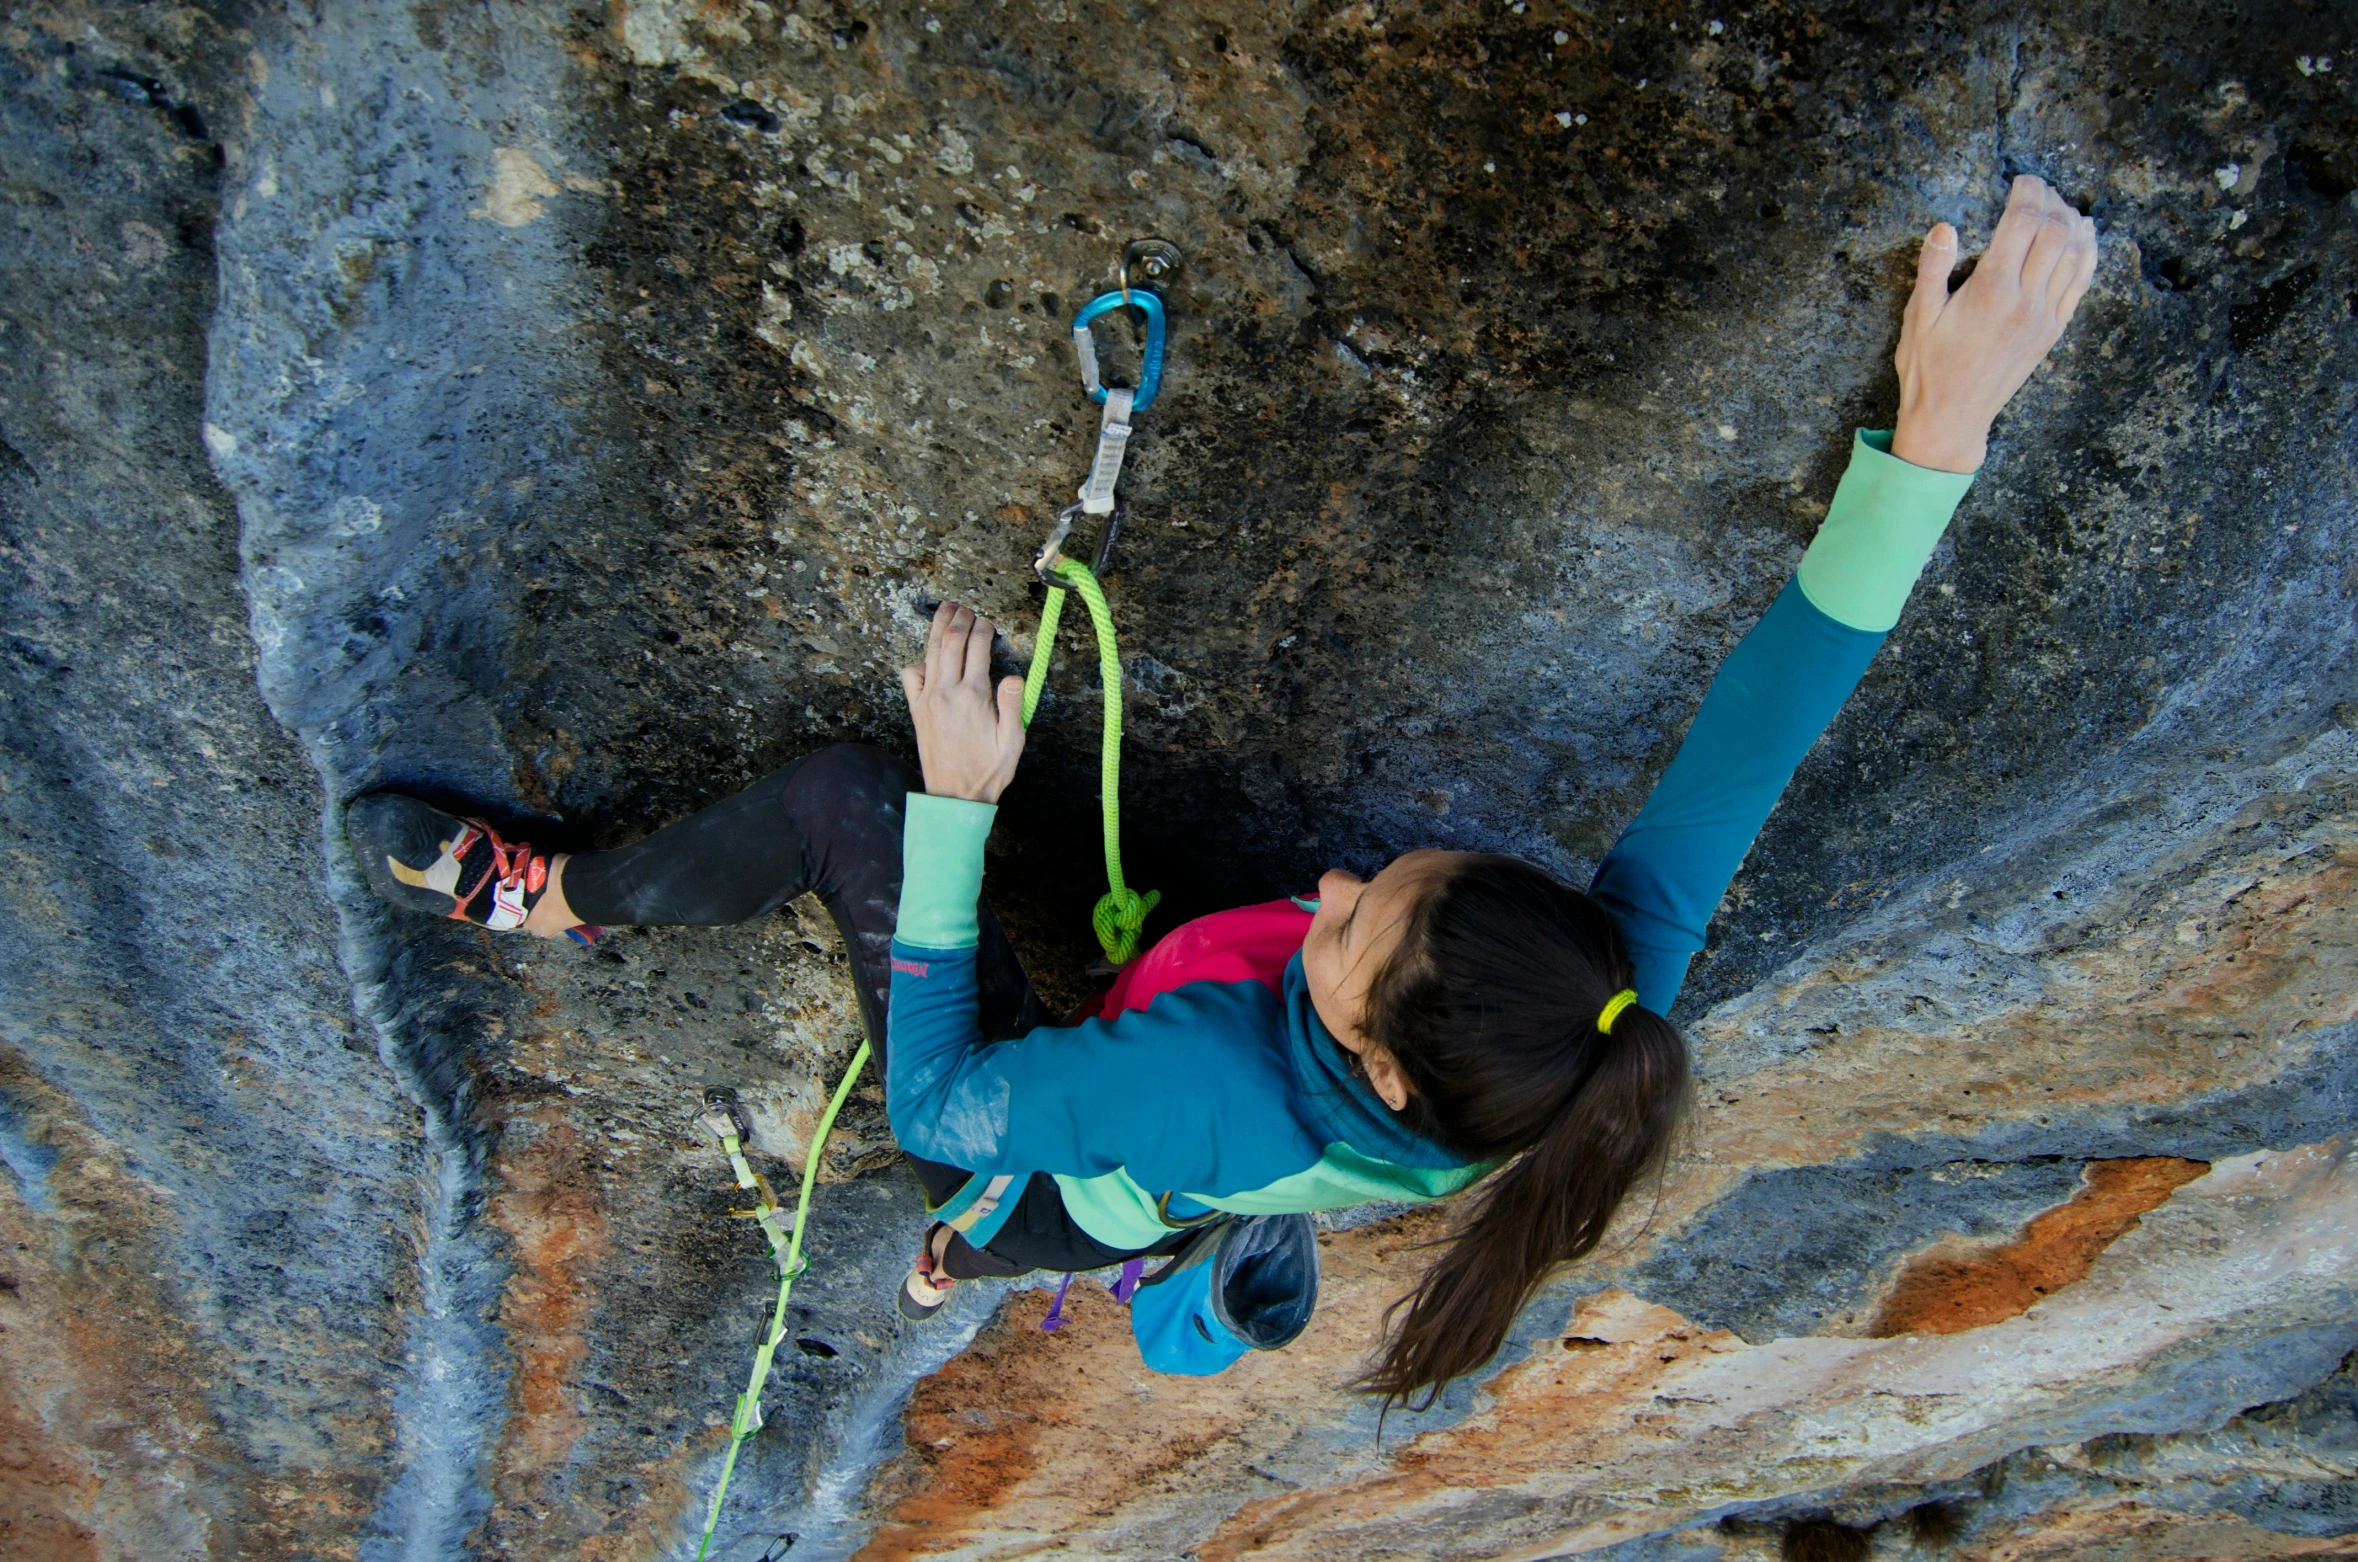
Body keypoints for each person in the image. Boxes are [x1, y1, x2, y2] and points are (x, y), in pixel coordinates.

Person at [352, 177, 2099, 1406]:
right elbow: (1760, 727)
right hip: (1153, 1171)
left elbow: (949, 1101)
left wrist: (957, 805)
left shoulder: (1210, 1091)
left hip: (1104, 1147)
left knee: (840, 809)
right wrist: (1940, 431)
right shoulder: (1573, 1008)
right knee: (1019, 1217)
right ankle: (970, 1267)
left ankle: (545, 900)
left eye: (1348, 928)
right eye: (1394, 876)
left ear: (1375, 1058)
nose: (1331, 885)